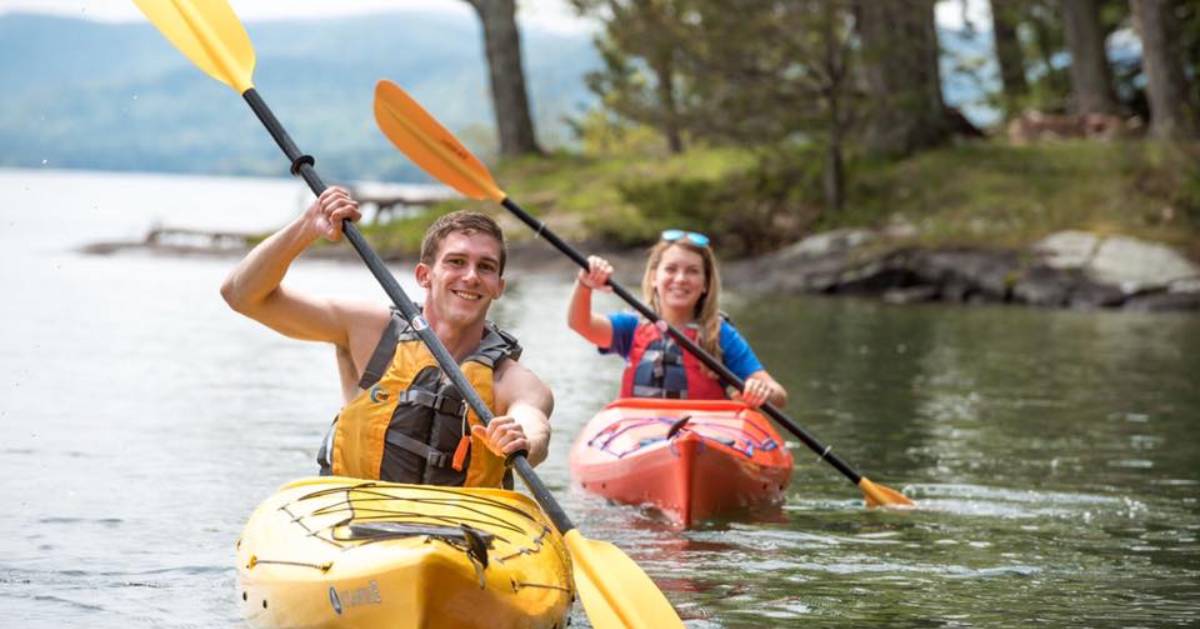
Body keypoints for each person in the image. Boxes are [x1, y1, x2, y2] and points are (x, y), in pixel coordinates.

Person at [220, 187, 552, 488]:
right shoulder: (369, 331)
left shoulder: (513, 380)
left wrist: (522, 440)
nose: (470, 277)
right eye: (456, 262)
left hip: (460, 534)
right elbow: (242, 296)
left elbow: (535, 427)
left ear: (498, 286)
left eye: (486, 267)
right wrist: (307, 227)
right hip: (356, 523)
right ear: (424, 275)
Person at [567, 229, 787, 408]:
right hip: (639, 434)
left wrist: (760, 391)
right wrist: (585, 285)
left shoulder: (719, 334)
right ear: (654, 278)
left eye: (692, 271)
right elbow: (580, 323)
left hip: (703, 437)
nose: (680, 279)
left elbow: (779, 395)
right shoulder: (632, 326)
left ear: (706, 284)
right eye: (671, 269)